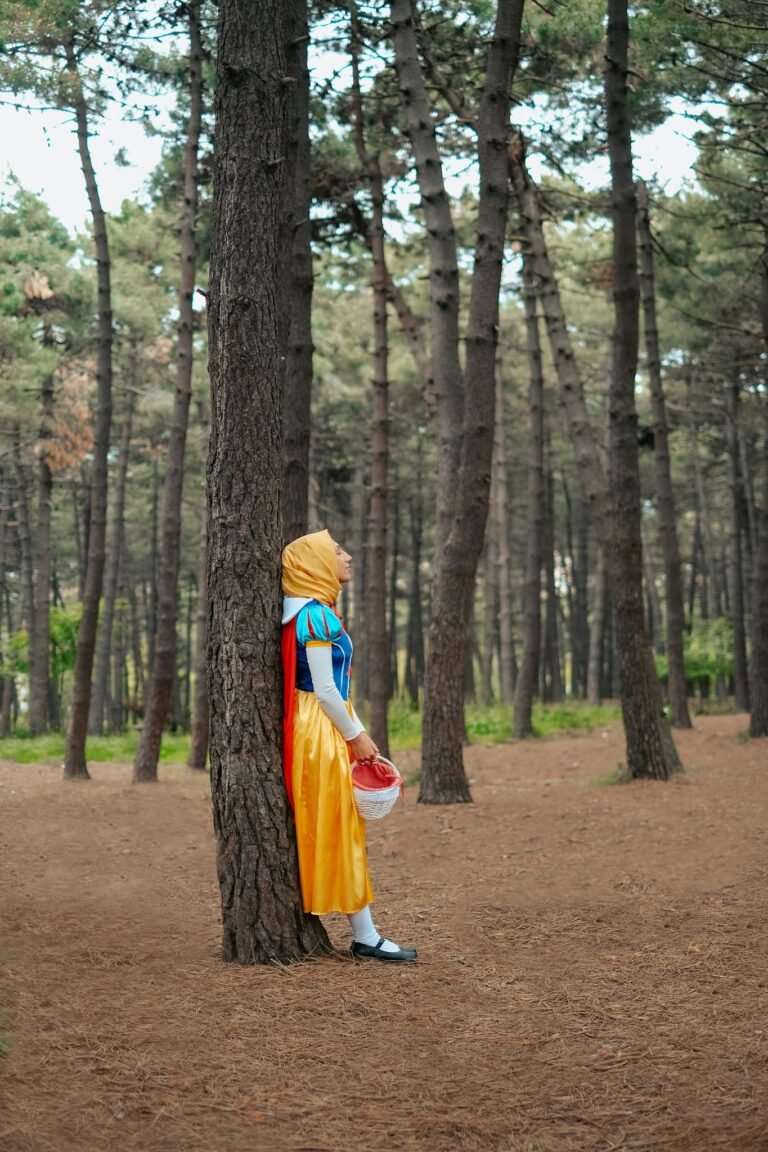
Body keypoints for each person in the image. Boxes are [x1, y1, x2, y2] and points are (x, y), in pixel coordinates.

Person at [281, 529, 417, 964]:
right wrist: (355, 735)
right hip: (322, 728)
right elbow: (324, 689)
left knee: (340, 826)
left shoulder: (308, 613)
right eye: (337, 551)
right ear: (314, 564)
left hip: (321, 723)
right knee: (340, 825)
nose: (348, 556)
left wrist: (357, 731)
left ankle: (365, 932)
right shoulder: (316, 617)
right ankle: (365, 936)